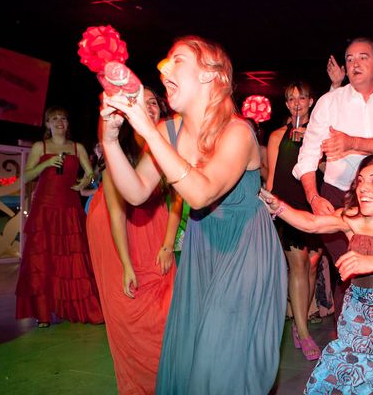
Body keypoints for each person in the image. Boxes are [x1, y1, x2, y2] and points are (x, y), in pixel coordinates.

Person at [100, 35, 287, 394]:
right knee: (193, 356)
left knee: (219, 361)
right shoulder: (167, 131)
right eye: (164, 63)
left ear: (209, 75)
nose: (165, 68)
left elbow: (200, 194)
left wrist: (146, 132)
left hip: (245, 252)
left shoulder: (239, 131)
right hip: (203, 252)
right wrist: (110, 141)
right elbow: (137, 191)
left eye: (178, 61)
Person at [262, 154, 373, 394]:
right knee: (341, 366)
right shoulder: (352, 218)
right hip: (356, 311)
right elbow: (311, 223)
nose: (363, 188)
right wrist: (280, 207)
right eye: (360, 180)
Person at [293, 37, 373, 324]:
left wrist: (351, 143)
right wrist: (313, 197)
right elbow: (307, 156)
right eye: (350, 58)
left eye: (363, 57)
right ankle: (349, 344)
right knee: (349, 267)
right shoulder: (329, 102)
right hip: (337, 195)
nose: (355, 64)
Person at [86, 87, 178, 394]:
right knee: (130, 308)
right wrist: (126, 264)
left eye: (153, 102)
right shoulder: (121, 153)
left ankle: (168, 380)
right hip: (117, 229)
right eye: (142, 102)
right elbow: (116, 214)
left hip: (154, 224)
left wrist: (167, 244)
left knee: (166, 306)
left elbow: (177, 200)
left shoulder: (167, 144)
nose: (149, 107)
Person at [16, 106, 103, 327]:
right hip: (44, 209)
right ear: (47, 124)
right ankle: (43, 314)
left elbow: (90, 173)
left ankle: (78, 309)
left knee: (72, 259)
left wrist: (85, 180)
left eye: (63, 118)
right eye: (54, 119)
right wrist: (45, 162)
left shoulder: (77, 147)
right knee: (43, 260)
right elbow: (26, 177)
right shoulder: (40, 146)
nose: (59, 122)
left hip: (70, 208)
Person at [266, 81, 324, 361]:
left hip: (313, 206)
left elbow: (328, 170)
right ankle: (303, 332)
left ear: (311, 101)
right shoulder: (277, 135)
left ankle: (300, 319)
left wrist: (312, 150)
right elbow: (272, 178)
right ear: (287, 105)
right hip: (286, 208)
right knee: (299, 263)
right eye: (291, 99)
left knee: (312, 266)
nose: (297, 103)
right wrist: (268, 211)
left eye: (302, 97)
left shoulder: (321, 135)